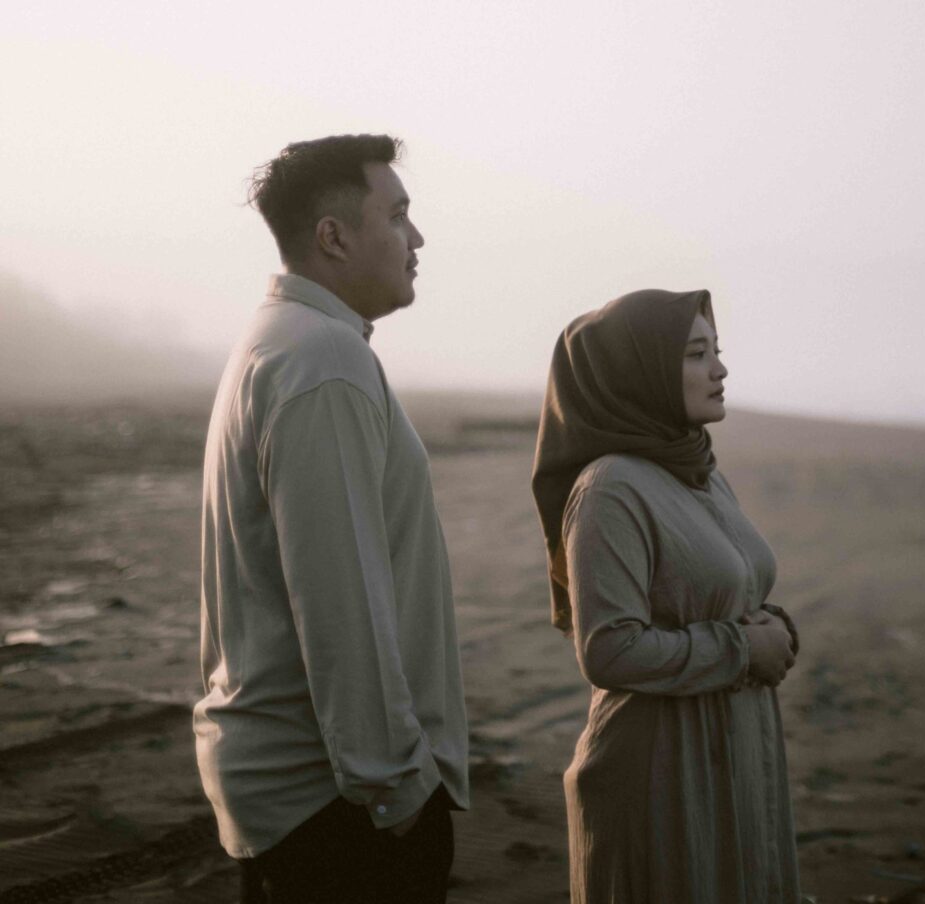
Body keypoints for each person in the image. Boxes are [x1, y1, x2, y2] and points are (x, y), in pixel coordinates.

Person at [194, 134, 468, 904]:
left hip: (309, 793)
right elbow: (337, 596)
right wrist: (397, 790)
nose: (417, 239)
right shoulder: (322, 361)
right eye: (399, 215)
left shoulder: (283, 342)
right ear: (334, 236)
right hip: (340, 807)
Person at [532, 289, 802, 903]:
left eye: (717, 350)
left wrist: (775, 628)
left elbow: (729, 589)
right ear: (640, 373)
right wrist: (741, 649)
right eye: (696, 354)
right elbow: (608, 651)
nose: (720, 369)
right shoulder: (610, 488)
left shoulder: (700, 472)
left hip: (734, 745)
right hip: (660, 764)